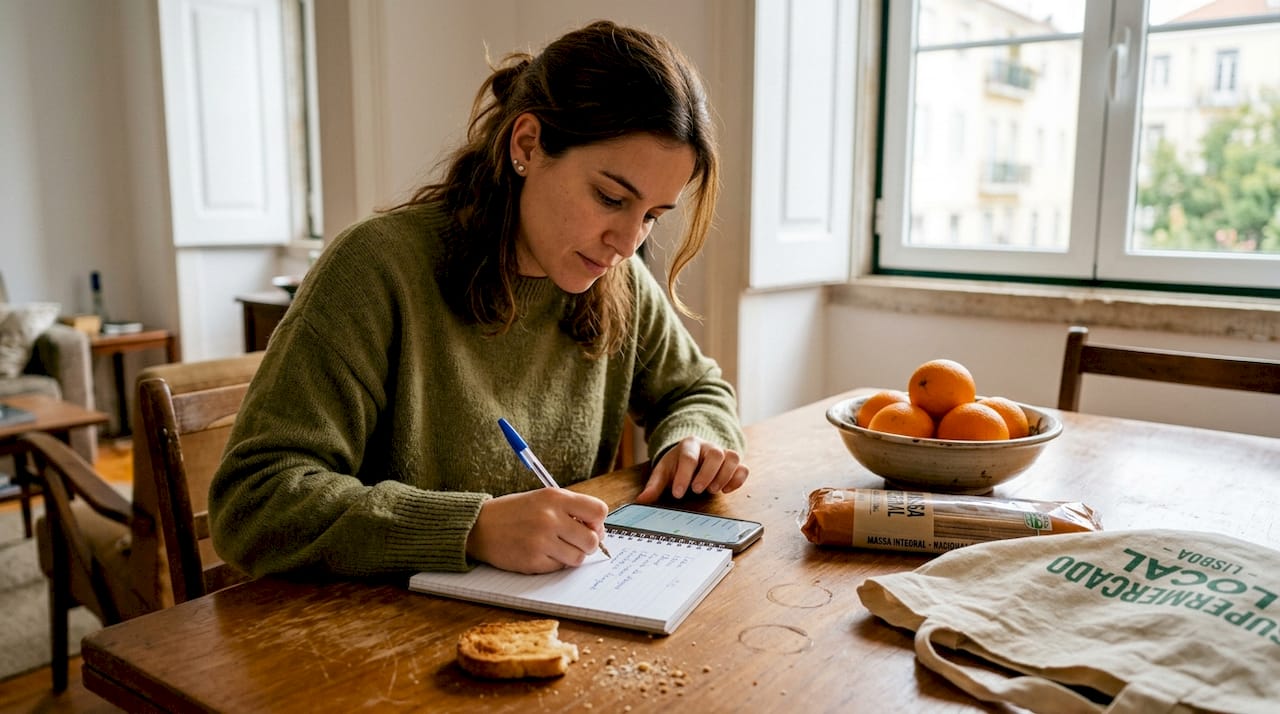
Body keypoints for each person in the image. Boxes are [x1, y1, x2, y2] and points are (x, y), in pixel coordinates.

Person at [208, 20, 748, 578]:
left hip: (547, 610)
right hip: (378, 620)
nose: (628, 242)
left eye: (652, 215)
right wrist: (472, 528)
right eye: (610, 198)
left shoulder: (619, 279)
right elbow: (254, 500)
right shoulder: (376, 268)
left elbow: (696, 390)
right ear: (527, 144)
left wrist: (694, 439)